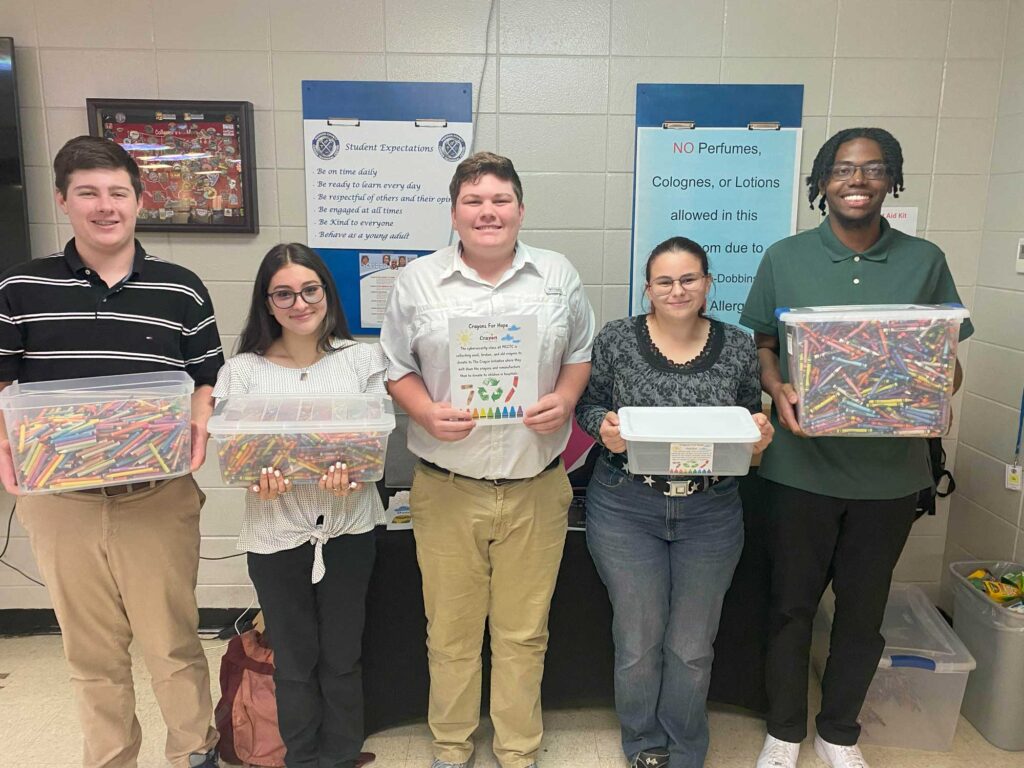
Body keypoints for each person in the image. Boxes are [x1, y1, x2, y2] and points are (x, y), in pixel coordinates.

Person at [739, 127, 973, 768]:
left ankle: (839, 733)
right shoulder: (786, 257)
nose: (857, 179)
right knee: (789, 606)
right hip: (799, 470)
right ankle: (784, 731)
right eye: (843, 169)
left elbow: (944, 352)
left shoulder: (924, 259)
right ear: (821, 182)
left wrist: (940, 387)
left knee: (862, 616)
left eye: (873, 169)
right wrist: (777, 386)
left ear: (891, 181)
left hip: (888, 478)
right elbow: (761, 342)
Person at [0, 135, 223, 768]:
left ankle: (193, 752)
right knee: (90, 650)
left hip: (158, 491)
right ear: (62, 201)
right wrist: (5, 445)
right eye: (88, 193)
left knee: (173, 640)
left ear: (139, 200)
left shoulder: (179, 287)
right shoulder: (21, 286)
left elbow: (209, 373)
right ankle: (110, 758)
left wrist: (200, 424)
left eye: (117, 193)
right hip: (60, 497)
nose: (105, 206)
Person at [380, 152, 596, 768]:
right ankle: (452, 747)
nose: (488, 212)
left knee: (523, 634)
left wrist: (566, 397)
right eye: (474, 201)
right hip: (448, 486)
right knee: (449, 634)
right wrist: (423, 412)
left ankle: (518, 749)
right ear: (454, 213)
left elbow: (579, 352)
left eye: (501, 200)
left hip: (536, 485)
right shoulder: (417, 281)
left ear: (521, 210)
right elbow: (396, 367)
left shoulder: (557, 275)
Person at [575, 237, 773, 768]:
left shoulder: (736, 345)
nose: (677, 290)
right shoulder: (616, 338)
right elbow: (589, 405)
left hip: (711, 510)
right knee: (638, 641)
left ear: (709, 284)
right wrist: (604, 429)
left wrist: (758, 434)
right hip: (626, 506)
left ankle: (686, 748)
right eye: (664, 281)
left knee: (691, 647)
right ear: (647, 289)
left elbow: (749, 415)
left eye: (689, 279)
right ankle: (642, 743)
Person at [212, 243, 386, 768]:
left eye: (310, 290)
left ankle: (341, 753)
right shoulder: (242, 371)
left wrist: (352, 474)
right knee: (293, 657)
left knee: (341, 654)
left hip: (349, 529)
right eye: (283, 293)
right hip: (275, 533)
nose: (299, 302)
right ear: (267, 303)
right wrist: (254, 480)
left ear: (327, 295)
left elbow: (372, 446)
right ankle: (303, 759)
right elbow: (236, 454)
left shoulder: (362, 359)